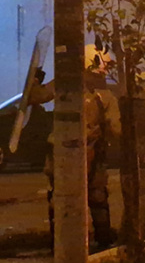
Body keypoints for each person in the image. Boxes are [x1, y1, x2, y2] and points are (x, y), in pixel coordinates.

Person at [39, 44, 121, 249]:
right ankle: (102, 240)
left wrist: (35, 79)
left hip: (61, 152)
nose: (106, 71)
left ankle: (59, 242)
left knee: (60, 198)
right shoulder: (105, 96)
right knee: (97, 197)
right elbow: (117, 129)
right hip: (91, 153)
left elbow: (36, 96)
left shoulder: (63, 84)